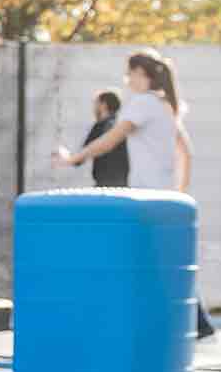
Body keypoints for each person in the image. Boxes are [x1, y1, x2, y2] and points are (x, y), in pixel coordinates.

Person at [62, 50, 213, 339]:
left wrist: (75, 158)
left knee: (132, 255)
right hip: (163, 194)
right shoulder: (166, 106)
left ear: (141, 75)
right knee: (164, 259)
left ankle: (190, 322)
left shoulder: (143, 103)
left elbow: (111, 138)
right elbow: (186, 151)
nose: (127, 80)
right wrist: (180, 190)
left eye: (129, 74)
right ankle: (197, 323)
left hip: (145, 198)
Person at [80, 90, 130, 188]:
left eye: (96, 104)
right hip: (123, 184)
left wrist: (68, 158)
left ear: (103, 105)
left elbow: (82, 155)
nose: (94, 108)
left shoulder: (101, 126)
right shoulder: (124, 125)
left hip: (104, 184)